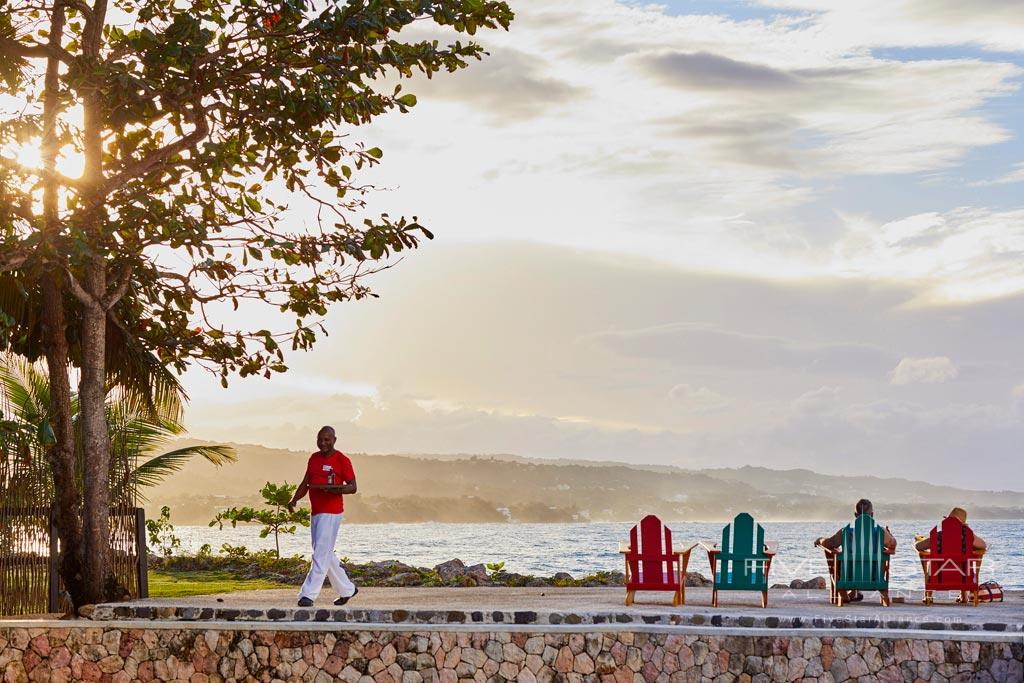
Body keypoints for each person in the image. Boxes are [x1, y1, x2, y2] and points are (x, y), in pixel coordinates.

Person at [288, 425, 359, 607]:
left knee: (320, 552)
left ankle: (308, 595)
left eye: (327, 439)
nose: (323, 443)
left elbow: (352, 486)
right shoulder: (313, 458)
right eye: (320, 439)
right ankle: (347, 589)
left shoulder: (342, 460)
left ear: (334, 440)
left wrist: (335, 490)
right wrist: (294, 499)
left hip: (332, 512)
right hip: (317, 511)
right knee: (325, 552)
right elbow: (306, 483)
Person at [814, 498, 896, 603]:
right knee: (875, 559)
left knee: (839, 557)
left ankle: (844, 593)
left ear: (855, 515)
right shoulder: (881, 533)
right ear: (872, 515)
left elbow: (828, 544)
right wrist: (890, 536)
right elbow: (893, 545)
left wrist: (820, 540)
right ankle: (854, 592)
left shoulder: (845, 532)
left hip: (849, 576)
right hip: (875, 576)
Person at [915, 507, 987, 553]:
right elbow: (983, 545)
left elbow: (919, 546)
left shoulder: (939, 536)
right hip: (964, 576)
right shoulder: (968, 537)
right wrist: (967, 530)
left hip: (940, 575)